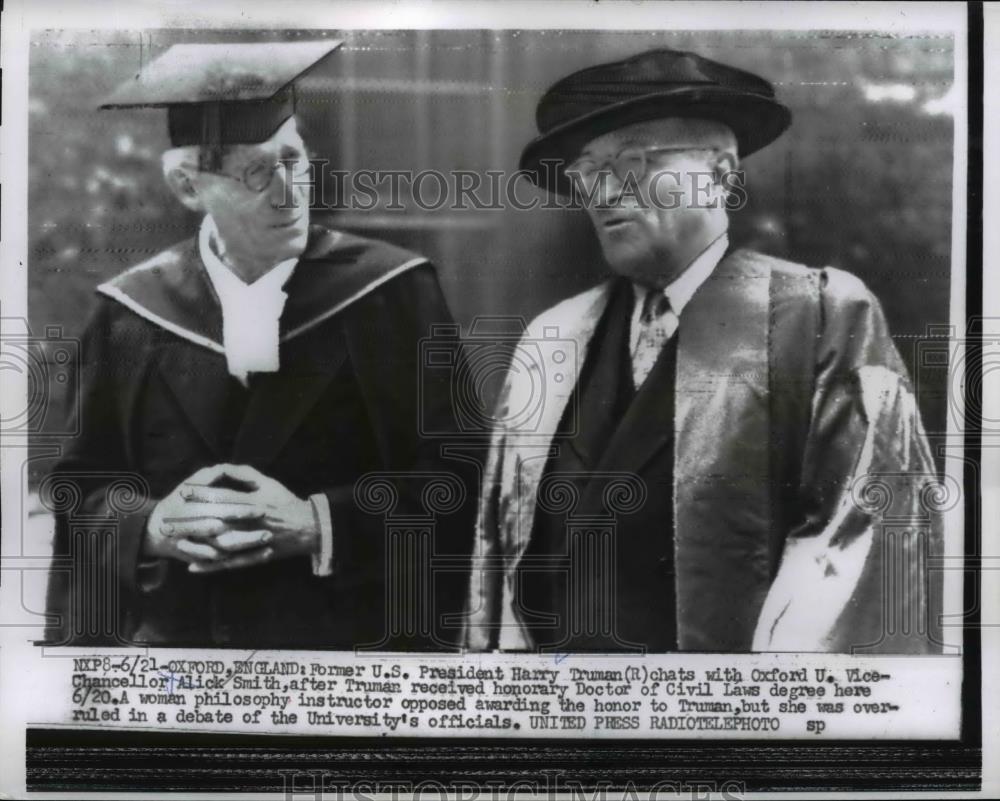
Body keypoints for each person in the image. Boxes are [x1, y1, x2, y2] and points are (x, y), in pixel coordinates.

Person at [462, 48, 943, 653]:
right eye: (587, 171)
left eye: (633, 161)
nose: (603, 191)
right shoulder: (553, 338)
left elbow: (853, 546)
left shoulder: (817, 317)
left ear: (720, 172)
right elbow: (499, 564)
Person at [43, 41, 473, 649]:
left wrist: (320, 522)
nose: (288, 192)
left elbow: (460, 480)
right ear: (188, 186)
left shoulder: (391, 294)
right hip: (178, 662)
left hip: (351, 659)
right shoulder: (128, 315)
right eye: (254, 173)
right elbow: (80, 491)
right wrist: (151, 526)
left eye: (293, 159)